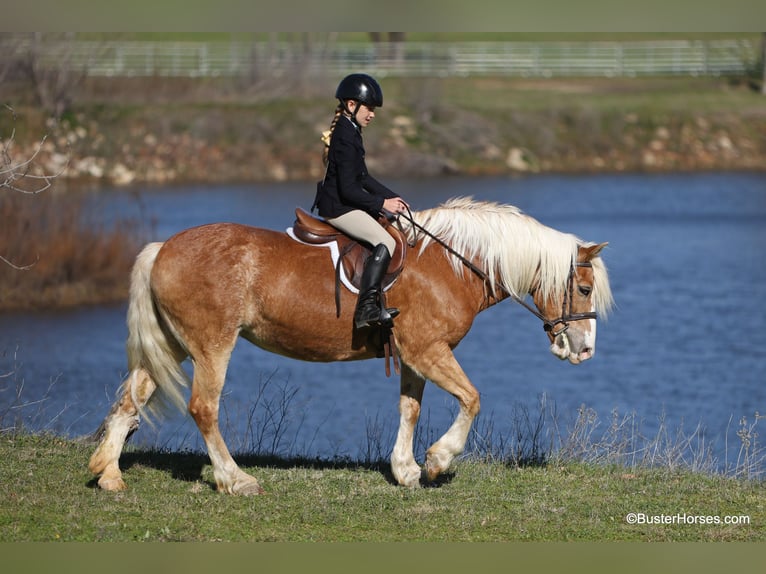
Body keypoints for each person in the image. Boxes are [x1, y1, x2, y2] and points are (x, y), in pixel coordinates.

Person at [313, 73, 410, 330]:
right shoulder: (345, 137)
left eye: (374, 109)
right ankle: (366, 310)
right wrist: (380, 204)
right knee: (385, 241)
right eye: (369, 108)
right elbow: (349, 189)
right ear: (351, 105)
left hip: (346, 201)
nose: (373, 114)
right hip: (339, 208)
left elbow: (363, 176)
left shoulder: (351, 130)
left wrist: (392, 197)